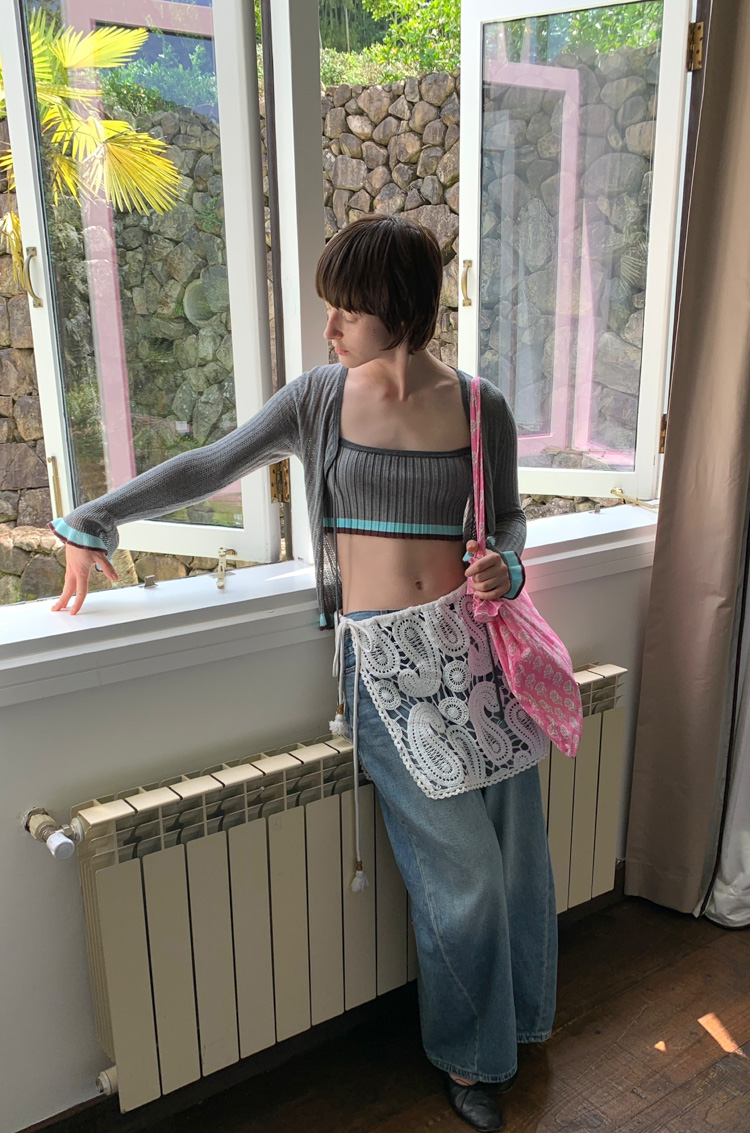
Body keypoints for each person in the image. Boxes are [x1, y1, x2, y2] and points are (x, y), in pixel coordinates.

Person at [49, 215, 556, 1133]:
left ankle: (521, 1020)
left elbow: (511, 516)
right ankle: (473, 1061)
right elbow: (212, 462)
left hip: (477, 653)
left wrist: (508, 565)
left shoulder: (482, 408)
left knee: (517, 856)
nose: (330, 328)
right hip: (384, 667)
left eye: (347, 310)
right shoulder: (319, 398)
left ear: (399, 309)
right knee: (469, 874)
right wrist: (95, 516)